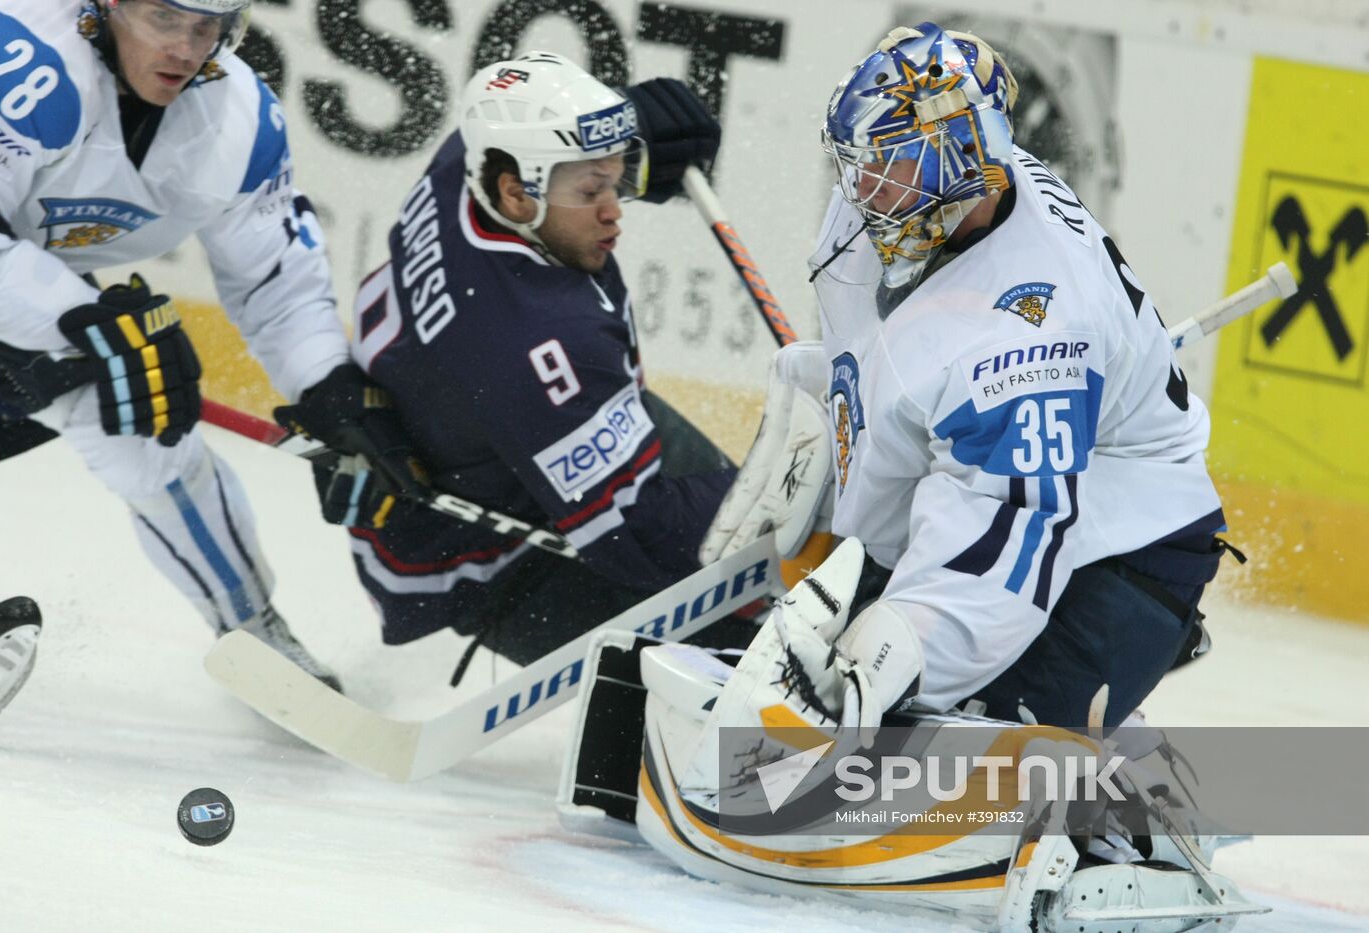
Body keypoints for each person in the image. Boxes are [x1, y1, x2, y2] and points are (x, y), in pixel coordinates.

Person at [636, 23, 1247, 922]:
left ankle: (1126, 813)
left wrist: (896, 650)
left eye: (886, 164)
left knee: (937, 734)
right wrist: (833, 466)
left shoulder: (1027, 339)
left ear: (962, 160)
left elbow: (1006, 555)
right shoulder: (930, 197)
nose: (859, 186)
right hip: (1006, 499)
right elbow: (895, 376)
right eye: (860, 160)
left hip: (1118, 557)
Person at [0, 0, 416, 718]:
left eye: (206, 26)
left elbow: (277, 280)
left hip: (0, 266)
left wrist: (328, 386)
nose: (184, 46)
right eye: (163, 17)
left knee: (145, 431)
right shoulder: (13, 57)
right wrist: (80, 316)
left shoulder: (238, 122)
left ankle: (254, 633)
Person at [309, 52, 740, 672]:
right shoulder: (543, 343)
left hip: (498, 449)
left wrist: (632, 122)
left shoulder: (471, 159)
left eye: (618, 176)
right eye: (592, 191)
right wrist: (781, 510)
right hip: (487, 557)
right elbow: (640, 538)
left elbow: (532, 128)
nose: (614, 206)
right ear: (515, 194)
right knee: (764, 625)